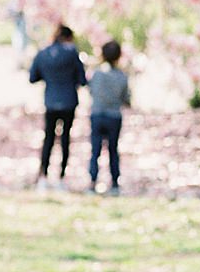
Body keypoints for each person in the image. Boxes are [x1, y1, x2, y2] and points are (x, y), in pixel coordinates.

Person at [29, 24, 88, 189]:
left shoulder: (43, 53)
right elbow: (82, 80)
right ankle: (61, 177)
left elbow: (33, 77)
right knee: (65, 139)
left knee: (48, 138)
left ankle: (43, 176)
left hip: (50, 101)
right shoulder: (72, 54)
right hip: (69, 101)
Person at [87, 39, 132, 195]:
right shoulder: (122, 77)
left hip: (97, 114)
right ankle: (114, 183)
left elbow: (91, 91)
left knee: (95, 150)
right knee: (113, 149)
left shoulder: (96, 74)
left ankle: (92, 182)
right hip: (114, 116)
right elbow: (126, 99)